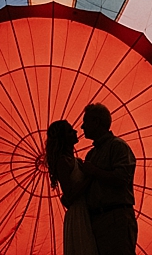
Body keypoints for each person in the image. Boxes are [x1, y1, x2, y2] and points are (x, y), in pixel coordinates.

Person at [79, 103, 138, 255]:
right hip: (97, 219)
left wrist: (94, 171)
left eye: (86, 121)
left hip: (116, 218)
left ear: (96, 122)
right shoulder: (91, 155)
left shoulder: (118, 146)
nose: (82, 127)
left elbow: (122, 179)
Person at [45, 119, 98, 255]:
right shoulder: (63, 162)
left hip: (85, 212)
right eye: (70, 131)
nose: (75, 131)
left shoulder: (76, 162)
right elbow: (70, 194)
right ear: (63, 139)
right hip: (78, 214)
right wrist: (91, 176)